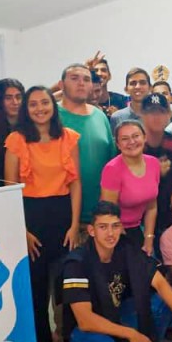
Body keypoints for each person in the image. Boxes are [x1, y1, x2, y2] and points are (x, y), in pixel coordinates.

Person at [61, 201, 172, 342]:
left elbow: (159, 282)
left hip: (116, 314)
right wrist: (131, 334)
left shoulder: (126, 248)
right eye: (103, 227)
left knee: (162, 302)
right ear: (92, 231)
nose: (110, 233)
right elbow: (85, 320)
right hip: (85, 327)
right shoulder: (77, 262)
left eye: (115, 226)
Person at [5, 86, 82, 342]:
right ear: (26, 109)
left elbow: (75, 183)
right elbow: (10, 189)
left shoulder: (69, 137)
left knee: (67, 287)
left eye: (45, 103)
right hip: (31, 218)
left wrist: (74, 224)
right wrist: (22, 229)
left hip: (63, 216)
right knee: (37, 289)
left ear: (53, 106)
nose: (40, 108)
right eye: (33, 104)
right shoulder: (16, 140)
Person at [58, 63, 117, 223]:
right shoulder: (51, 116)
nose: (81, 83)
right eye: (74, 78)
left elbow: (112, 163)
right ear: (61, 85)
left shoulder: (100, 116)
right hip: (62, 212)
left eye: (86, 79)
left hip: (100, 213)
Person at [101, 121, 160, 255]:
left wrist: (148, 238)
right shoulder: (112, 169)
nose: (131, 142)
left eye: (136, 136)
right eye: (125, 139)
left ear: (144, 137)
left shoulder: (153, 163)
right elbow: (109, 214)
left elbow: (151, 207)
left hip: (138, 227)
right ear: (118, 144)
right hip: (115, 230)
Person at [139, 93, 172, 238]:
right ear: (141, 115)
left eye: (161, 112)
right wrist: (154, 173)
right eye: (151, 112)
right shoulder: (133, 144)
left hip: (168, 214)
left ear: (168, 115)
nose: (156, 117)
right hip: (137, 216)